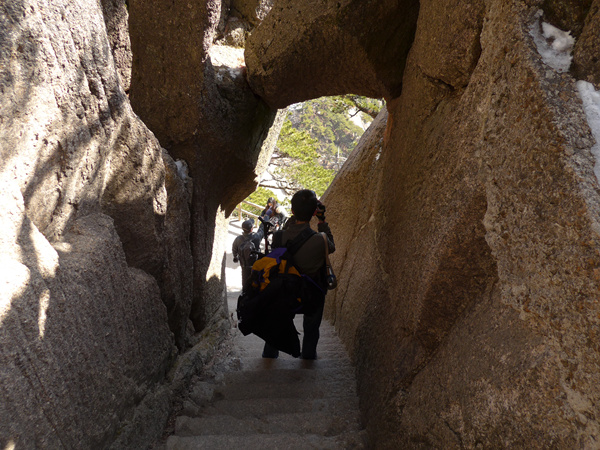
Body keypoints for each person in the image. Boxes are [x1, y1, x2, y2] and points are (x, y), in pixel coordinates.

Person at [261, 189, 335, 360]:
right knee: (312, 324)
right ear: (314, 212)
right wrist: (321, 220)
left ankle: (270, 352)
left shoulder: (279, 237)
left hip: (284, 291)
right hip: (311, 292)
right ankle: (308, 355)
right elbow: (330, 246)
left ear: (292, 211)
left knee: (278, 319)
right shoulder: (320, 240)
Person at [232, 219, 264, 292]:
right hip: (256, 265)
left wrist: (235, 257)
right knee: (256, 282)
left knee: (245, 283)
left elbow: (234, 249)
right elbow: (262, 231)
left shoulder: (238, 239)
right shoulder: (256, 237)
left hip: (244, 266)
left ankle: (245, 295)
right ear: (251, 229)